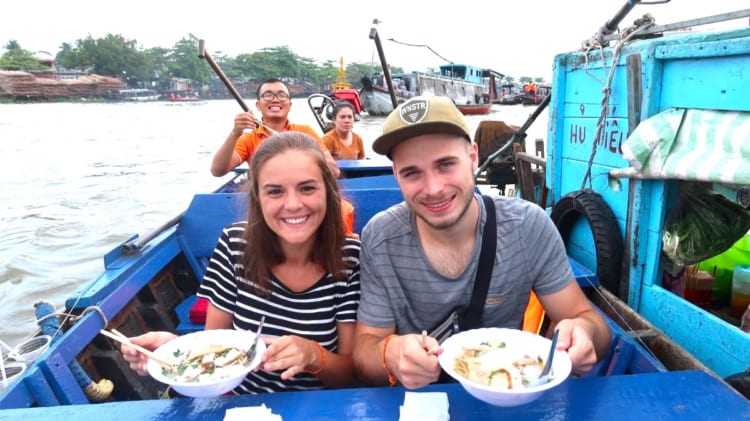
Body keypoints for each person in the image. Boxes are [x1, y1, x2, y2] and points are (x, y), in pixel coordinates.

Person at [352, 96, 612, 389]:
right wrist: (390, 354)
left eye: (446, 164)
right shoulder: (381, 238)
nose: (434, 188)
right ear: (395, 175)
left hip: (509, 395)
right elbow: (364, 352)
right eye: (412, 172)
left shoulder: (528, 226)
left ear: (473, 157)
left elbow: (590, 323)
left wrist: (583, 332)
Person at [121, 132, 361, 393]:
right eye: (275, 192)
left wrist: (315, 356)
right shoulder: (235, 245)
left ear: (328, 192)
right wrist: (172, 350)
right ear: (258, 198)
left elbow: (353, 376)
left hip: (326, 406)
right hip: (247, 404)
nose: (292, 204)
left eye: (307, 188)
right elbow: (216, 345)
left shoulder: (351, 258)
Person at [210, 78, 340, 178]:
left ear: (289, 105)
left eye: (281, 95)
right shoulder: (248, 139)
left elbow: (334, 172)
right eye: (268, 95)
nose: (275, 100)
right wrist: (235, 133)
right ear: (258, 105)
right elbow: (217, 171)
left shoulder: (305, 132)